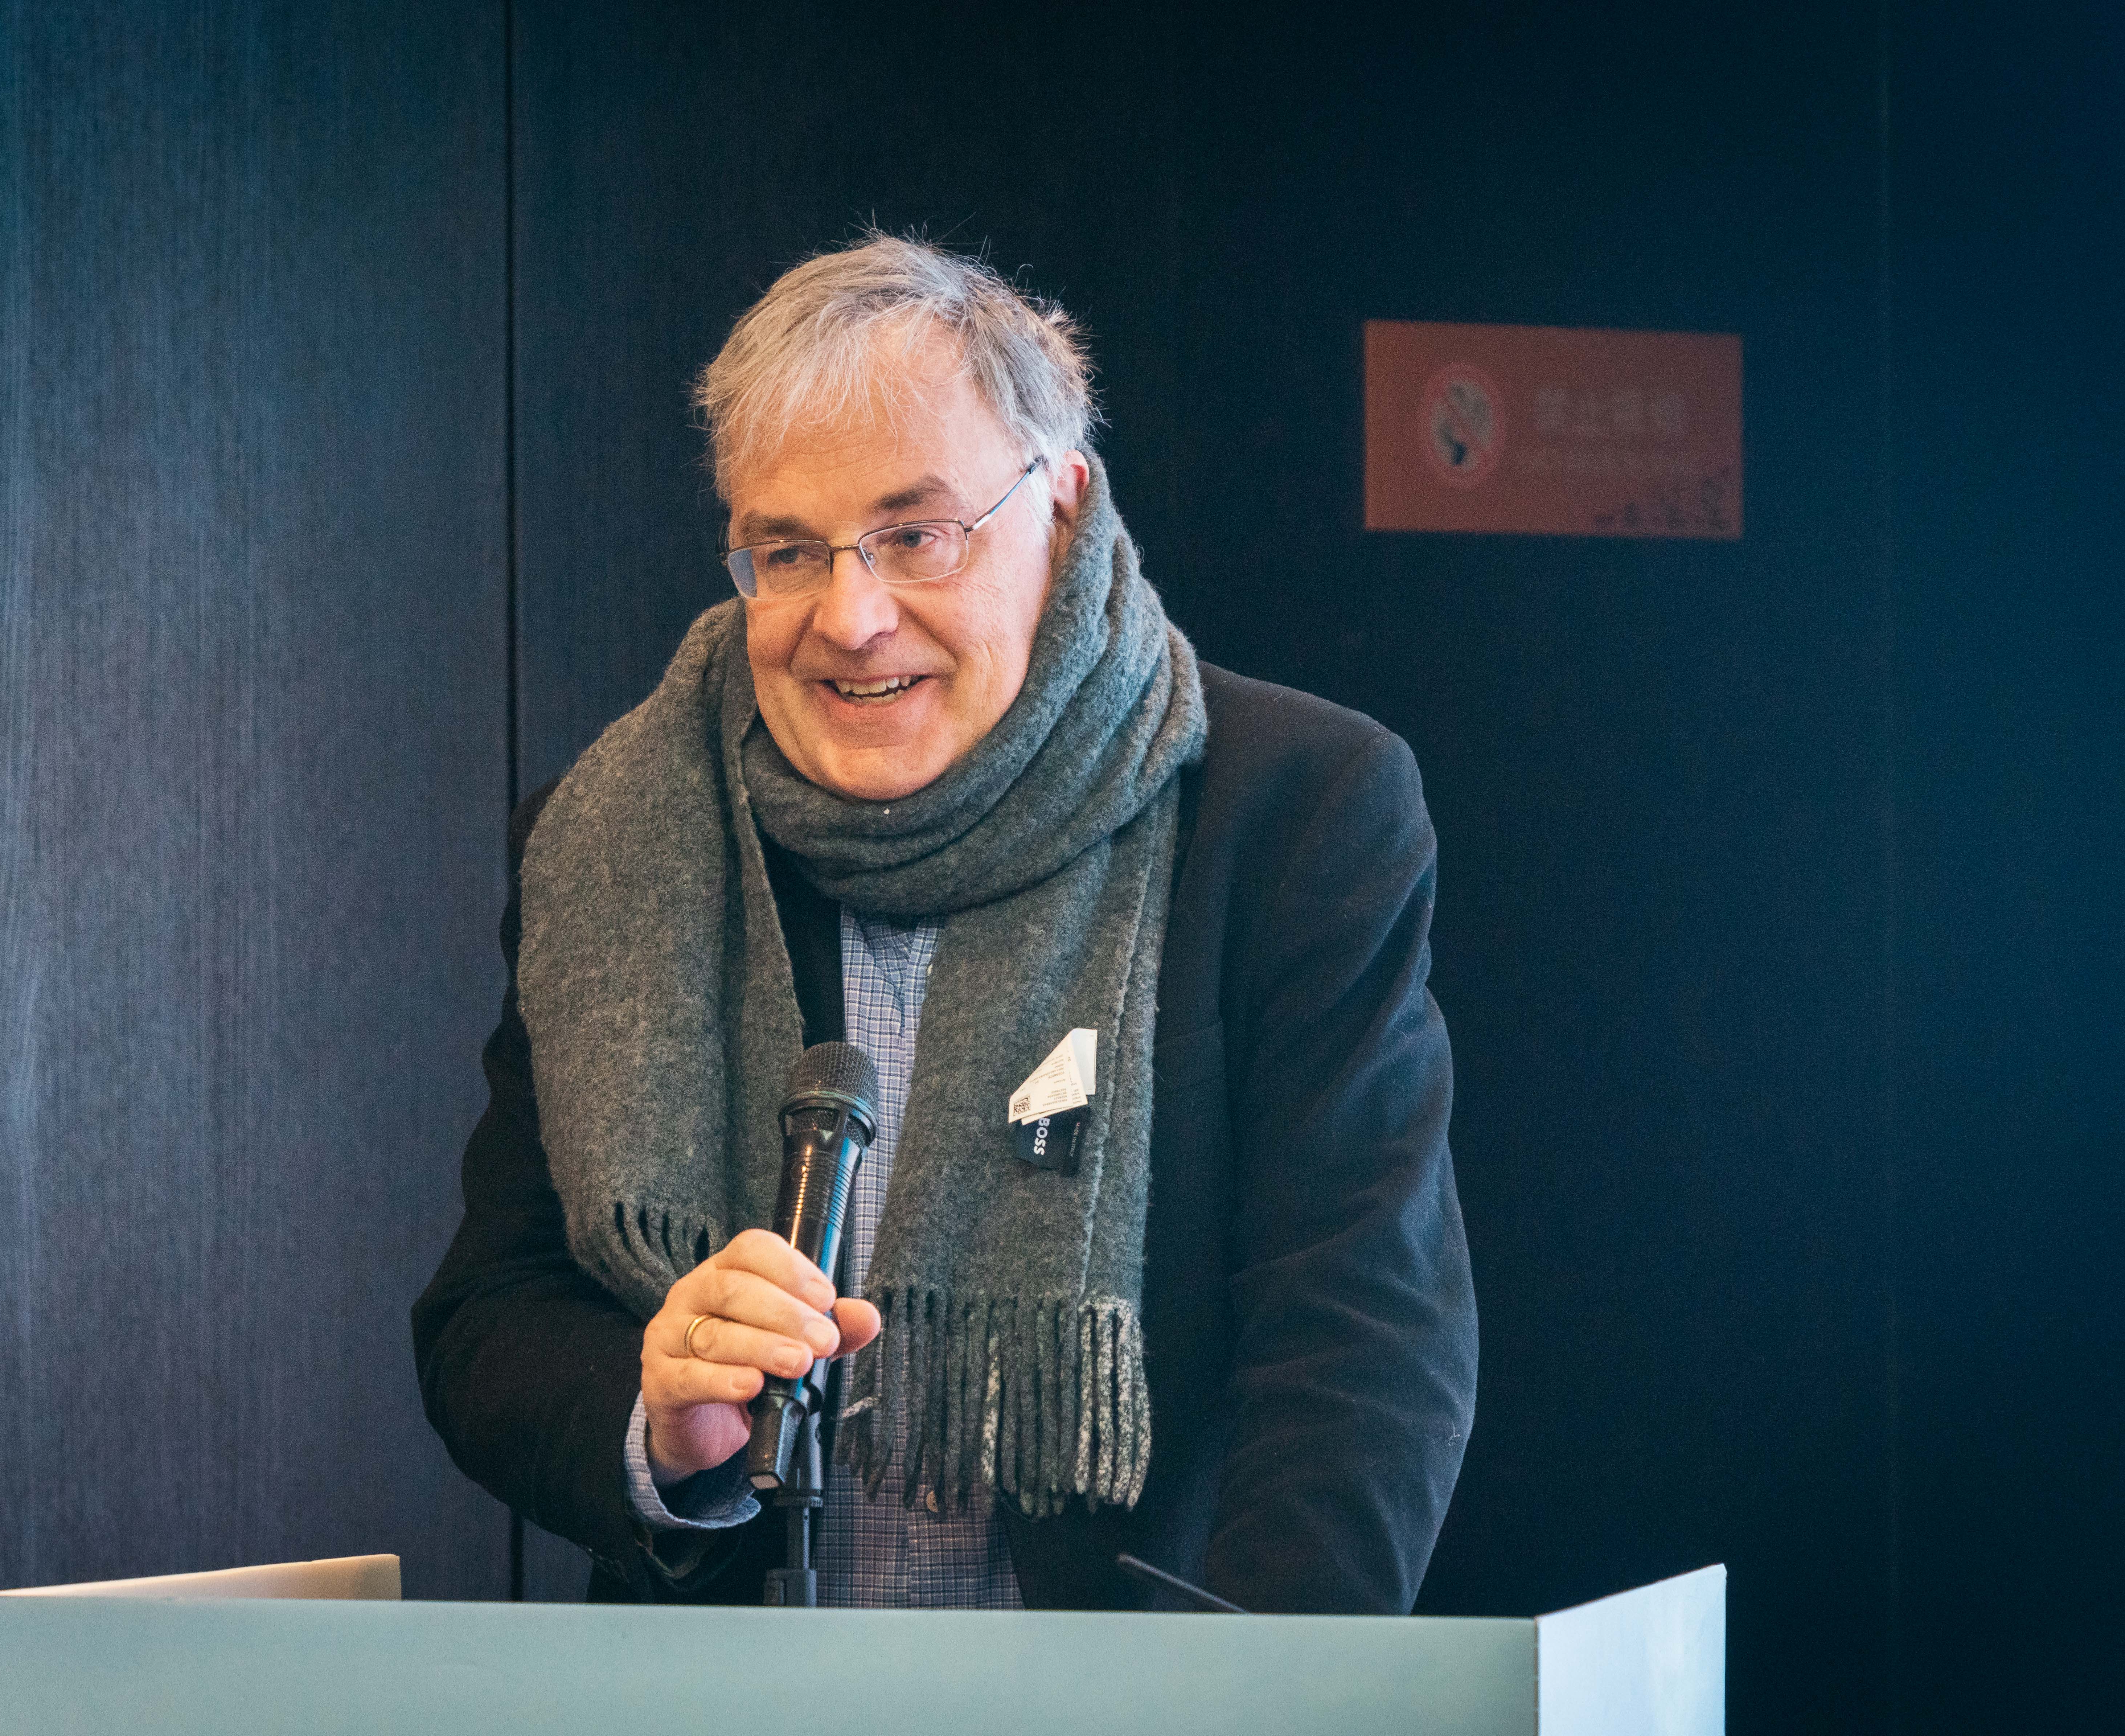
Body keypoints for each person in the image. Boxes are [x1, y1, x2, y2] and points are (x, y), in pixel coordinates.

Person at [412, 236, 1476, 1612]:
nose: (852, 617)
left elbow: (1362, 1347)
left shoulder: (1292, 811)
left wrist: (1245, 1697)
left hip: (1145, 1693)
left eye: (916, 536)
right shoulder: (611, 842)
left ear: (1064, 509)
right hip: (728, 1700)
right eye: (788, 552)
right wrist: (658, 1417)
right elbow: (488, 1317)